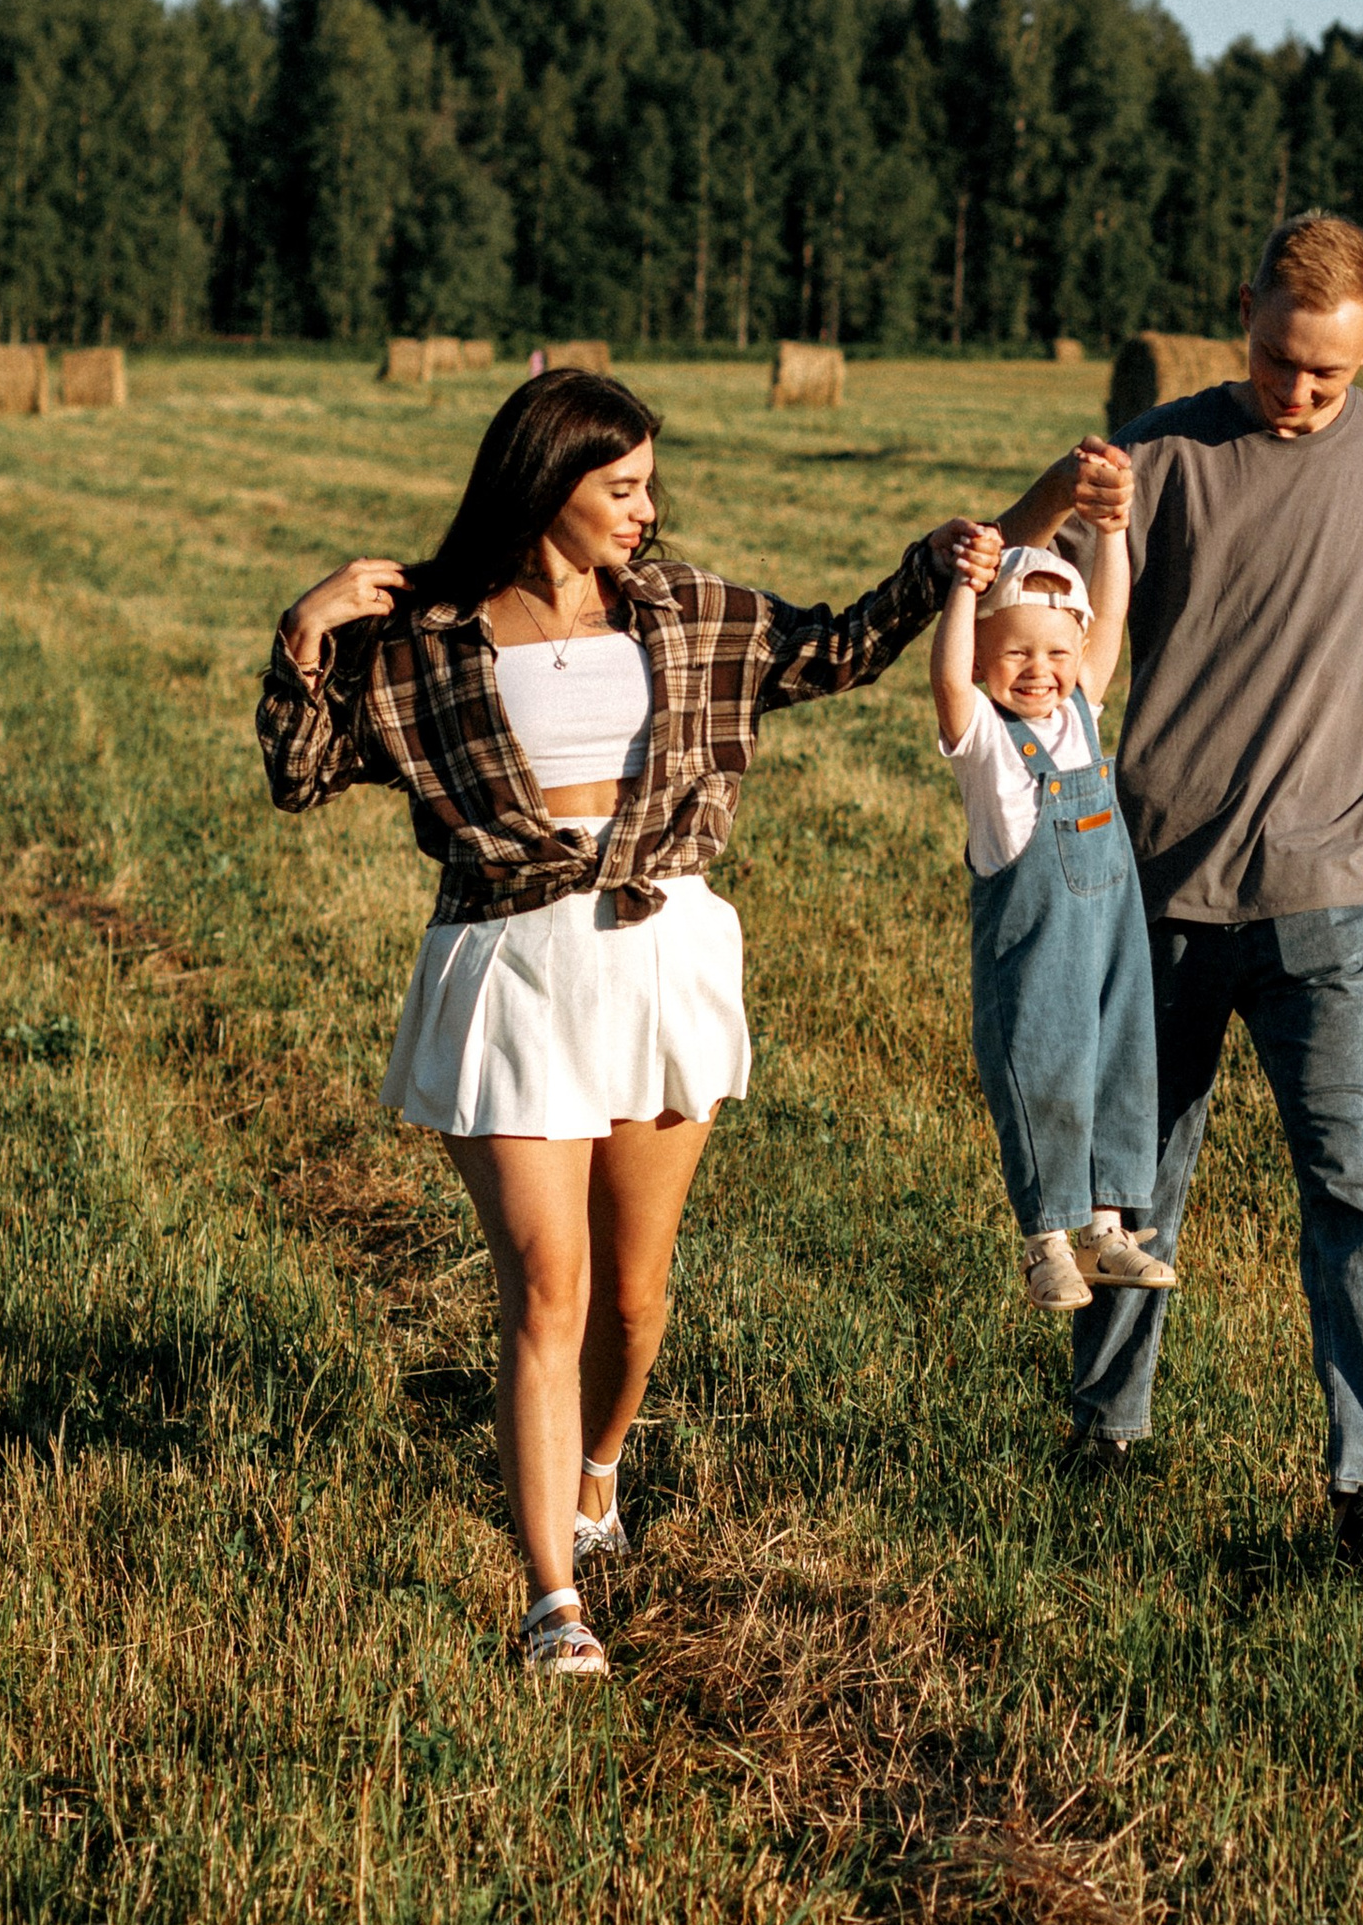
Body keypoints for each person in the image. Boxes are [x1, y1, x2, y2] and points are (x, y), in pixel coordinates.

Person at [258, 366, 975, 1678]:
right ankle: (553, 1603)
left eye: (650, 484)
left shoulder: (686, 609)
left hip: (657, 956)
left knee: (632, 1301)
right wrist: (308, 629)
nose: (649, 509)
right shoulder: (429, 634)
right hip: (508, 961)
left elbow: (830, 649)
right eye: (623, 487)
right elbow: (300, 776)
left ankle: (600, 1464)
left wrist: (933, 566)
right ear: (550, 489)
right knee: (547, 1290)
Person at [996, 212, 1363, 1564]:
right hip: (1148, 894)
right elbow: (1010, 582)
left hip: (1326, 900)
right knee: (1130, 1189)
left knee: (1348, 1184)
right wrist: (1065, 490)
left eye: (1327, 376)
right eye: (1281, 361)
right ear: (1246, 315)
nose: (1296, 394)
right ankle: (1106, 1435)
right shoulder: (1162, 450)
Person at [931, 524, 1177, 1312]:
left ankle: (1109, 1231)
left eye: (1058, 654)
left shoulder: (1081, 714)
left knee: (1118, 1066)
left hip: (1112, 939)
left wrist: (1110, 533)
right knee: (1047, 1074)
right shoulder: (982, 740)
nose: (1042, 672)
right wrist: (964, 589)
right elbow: (946, 678)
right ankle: (1047, 1243)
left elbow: (1106, 616)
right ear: (978, 660)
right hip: (1034, 946)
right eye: (1016, 656)